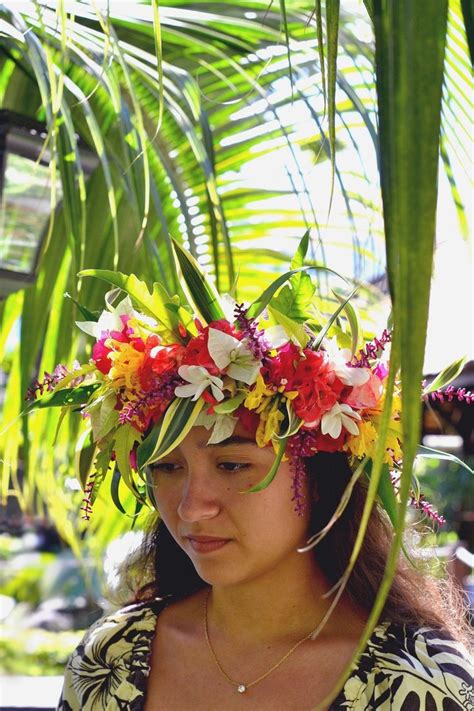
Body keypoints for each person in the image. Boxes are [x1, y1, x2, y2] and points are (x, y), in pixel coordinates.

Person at [28, 238, 472, 709]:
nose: (191, 506)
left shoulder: (418, 682)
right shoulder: (110, 658)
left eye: (233, 464)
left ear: (319, 477)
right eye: (167, 467)